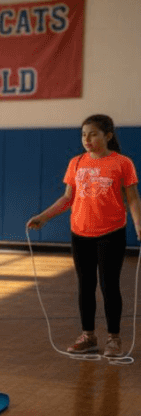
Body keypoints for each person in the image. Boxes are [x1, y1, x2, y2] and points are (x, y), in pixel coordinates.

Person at [27, 114, 141, 358]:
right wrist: (43, 216)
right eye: (83, 134)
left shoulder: (122, 163)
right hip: (80, 233)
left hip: (111, 233)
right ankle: (88, 336)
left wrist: (139, 225)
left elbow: (132, 198)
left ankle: (114, 339)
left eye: (93, 134)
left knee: (109, 286)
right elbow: (67, 198)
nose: (87, 139)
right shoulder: (76, 162)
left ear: (107, 136)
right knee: (85, 287)